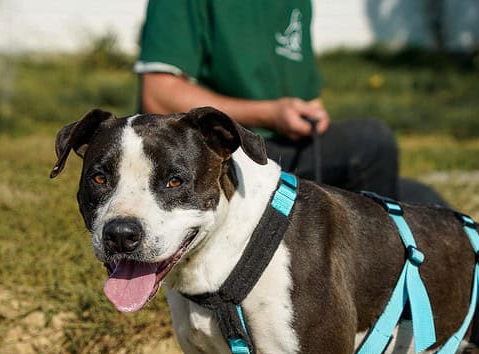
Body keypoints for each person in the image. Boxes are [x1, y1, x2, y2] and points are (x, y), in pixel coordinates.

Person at [134, 0, 444, 204]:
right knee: (372, 143)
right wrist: (270, 114)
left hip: (283, 150)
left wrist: (309, 113)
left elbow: (307, 95)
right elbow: (158, 94)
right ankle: (377, 286)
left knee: (426, 203)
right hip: (220, 153)